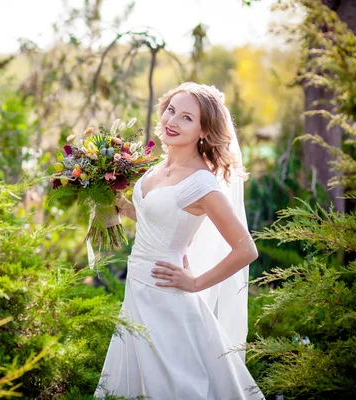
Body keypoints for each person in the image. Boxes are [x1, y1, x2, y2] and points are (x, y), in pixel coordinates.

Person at [94, 82, 264, 399]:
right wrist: (117, 205)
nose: (172, 121)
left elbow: (246, 249)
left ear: (203, 130)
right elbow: (159, 218)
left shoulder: (202, 182)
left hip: (165, 295)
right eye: (172, 110)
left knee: (175, 385)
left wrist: (196, 282)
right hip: (137, 289)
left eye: (187, 117)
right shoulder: (161, 166)